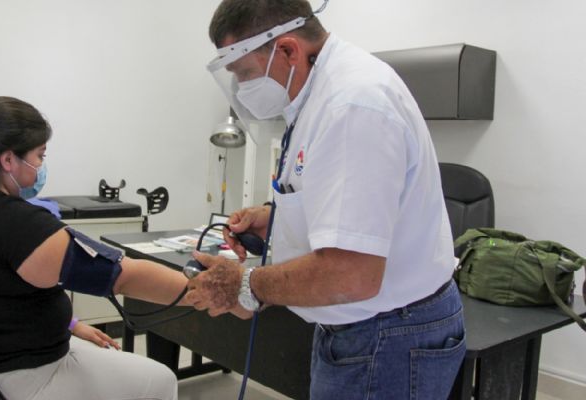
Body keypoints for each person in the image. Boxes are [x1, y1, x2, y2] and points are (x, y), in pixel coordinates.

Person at [185, 1, 466, 399]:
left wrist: (245, 284)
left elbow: (352, 274)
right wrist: (278, 218)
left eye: (245, 74)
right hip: (363, 327)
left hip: (387, 337)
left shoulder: (352, 105)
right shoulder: (318, 92)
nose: (243, 89)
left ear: (288, 50)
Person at [0, 96, 189, 400]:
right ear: (8, 160)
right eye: (39, 156)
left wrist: (71, 325)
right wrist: (201, 290)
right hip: (5, 378)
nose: (41, 167)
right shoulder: (16, 223)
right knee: (160, 381)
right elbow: (122, 276)